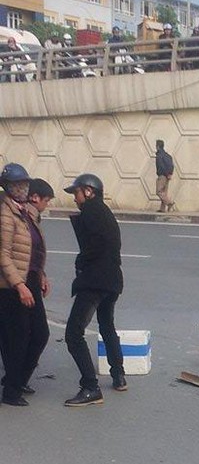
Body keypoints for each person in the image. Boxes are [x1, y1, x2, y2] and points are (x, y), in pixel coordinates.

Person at [63, 174, 126, 407]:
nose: (75, 199)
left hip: (96, 281)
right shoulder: (105, 211)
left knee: (73, 333)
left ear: (88, 191)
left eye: (76, 193)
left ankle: (90, 387)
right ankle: (118, 375)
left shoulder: (90, 211)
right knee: (107, 325)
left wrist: (81, 260)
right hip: (112, 281)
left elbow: (96, 246)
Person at [0, 165, 52, 407]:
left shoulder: (25, 212)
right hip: (11, 287)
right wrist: (20, 285)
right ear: (8, 187)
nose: (22, 188)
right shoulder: (5, 212)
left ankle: (17, 379)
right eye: (17, 185)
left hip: (30, 280)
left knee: (40, 333)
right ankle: (11, 391)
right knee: (17, 338)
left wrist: (41, 274)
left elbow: (35, 248)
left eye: (24, 184)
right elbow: (4, 253)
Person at [155, 139, 175, 212]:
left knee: (159, 191)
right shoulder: (168, 156)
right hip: (167, 176)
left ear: (157, 146)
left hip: (162, 175)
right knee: (164, 192)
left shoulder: (159, 155)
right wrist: (169, 174)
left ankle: (170, 203)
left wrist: (165, 174)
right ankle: (162, 209)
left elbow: (161, 166)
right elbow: (172, 166)